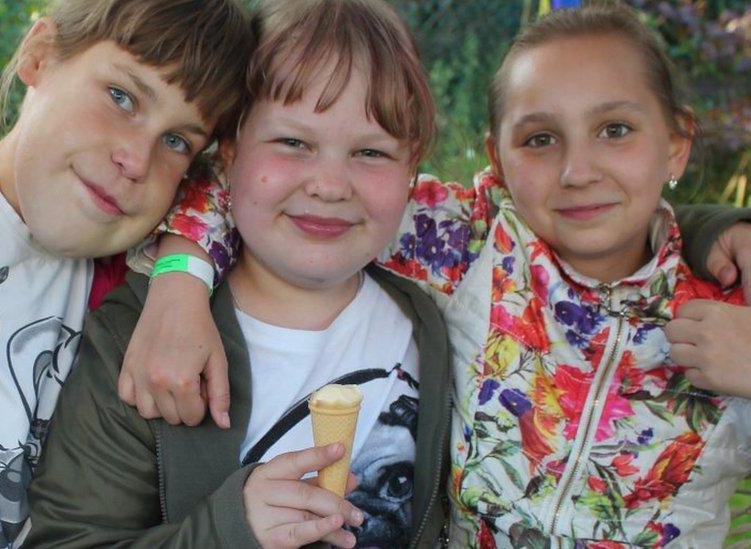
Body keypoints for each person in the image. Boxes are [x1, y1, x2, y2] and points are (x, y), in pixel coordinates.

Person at [128, 2, 751, 546]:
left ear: (677, 144)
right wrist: (180, 283)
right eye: (539, 138)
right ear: (497, 159)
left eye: (616, 129)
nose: (578, 169)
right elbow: (262, 184)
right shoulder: (472, 246)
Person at [27, 1, 448, 547]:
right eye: (293, 143)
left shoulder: (441, 315)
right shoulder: (138, 340)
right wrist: (230, 530)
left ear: (412, 164)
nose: (329, 185)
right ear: (228, 151)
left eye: (371, 152)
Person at [0, 1, 254, 546]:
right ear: (39, 56)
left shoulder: (134, 291)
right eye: (122, 97)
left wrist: (180, 274)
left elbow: (278, 182)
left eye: (176, 142)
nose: (137, 160)